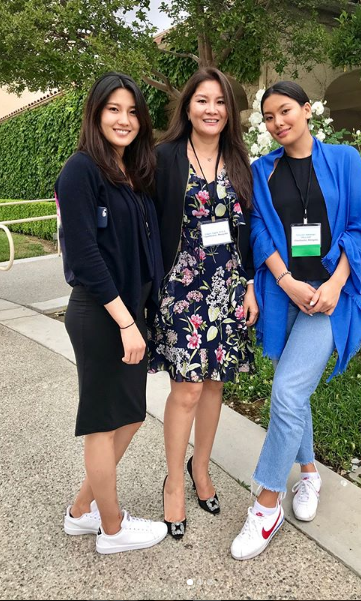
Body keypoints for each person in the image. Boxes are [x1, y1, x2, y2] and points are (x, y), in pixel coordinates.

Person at [231, 81, 361, 560]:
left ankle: (266, 504)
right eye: (269, 117)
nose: (278, 123)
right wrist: (285, 279)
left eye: (285, 111)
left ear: (307, 109)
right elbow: (257, 228)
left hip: (329, 298)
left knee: (288, 391)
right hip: (285, 296)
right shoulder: (263, 169)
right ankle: (310, 475)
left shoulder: (344, 160)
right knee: (292, 393)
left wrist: (335, 285)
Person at [55, 72, 167, 554]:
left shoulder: (132, 173)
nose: (124, 120)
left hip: (129, 313)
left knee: (131, 415)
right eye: (113, 109)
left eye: (132, 111)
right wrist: (125, 322)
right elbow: (84, 256)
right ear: (96, 114)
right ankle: (113, 529)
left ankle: (82, 510)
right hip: (102, 315)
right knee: (102, 422)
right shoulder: (81, 170)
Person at [148, 67, 258, 538]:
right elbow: (146, 222)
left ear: (229, 110)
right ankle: (174, 482)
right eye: (202, 100)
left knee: (214, 386)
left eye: (220, 101)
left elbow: (249, 230)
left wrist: (250, 284)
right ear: (188, 107)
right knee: (187, 389)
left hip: (228, 286)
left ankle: (201, 467)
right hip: (181, 287)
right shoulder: (164, 157)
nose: (212, 109)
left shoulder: (240, 160)